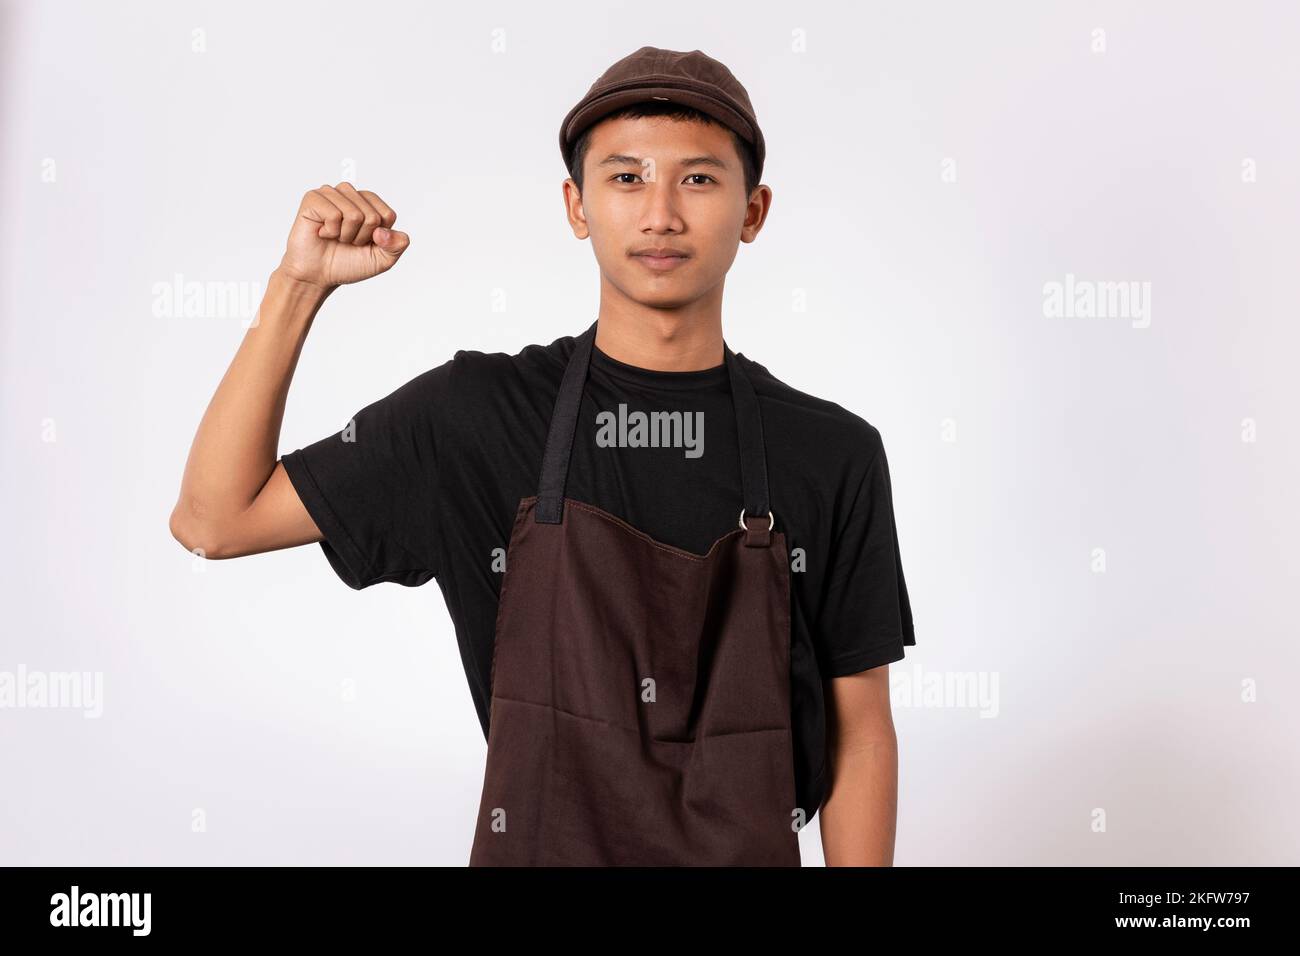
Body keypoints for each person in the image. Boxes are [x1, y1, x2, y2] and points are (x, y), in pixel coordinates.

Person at [169, 46, 916, 866]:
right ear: (576, 205)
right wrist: (298, 286)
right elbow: (214, 520)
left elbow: (861, 731)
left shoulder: (833, 452)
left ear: (754, 210)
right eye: (626, 178)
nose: (660, 213)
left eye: (698, 179)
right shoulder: (475, 417)